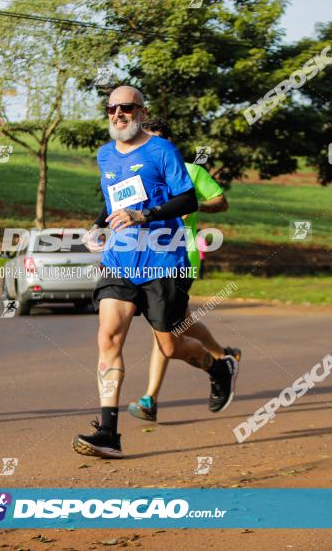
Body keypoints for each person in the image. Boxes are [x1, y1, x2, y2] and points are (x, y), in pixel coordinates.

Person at [72, 87, 239, 459]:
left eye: (125, 108)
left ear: (140, 112)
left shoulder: (162, 151)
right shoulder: (105, 155)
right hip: (120, 259)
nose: (117, 114)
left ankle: (218, 368)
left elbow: (188, 199)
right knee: (108, 339)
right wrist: (98, 225)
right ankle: (109, 433)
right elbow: (114, 199)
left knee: (169, 345)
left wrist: (143, 215)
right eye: (111, 108)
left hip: (163, 260)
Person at [126, 116, 241, 423]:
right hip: (142, 259)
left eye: (159, 141)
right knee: (182, 325)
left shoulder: (190, 172)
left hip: (179, 258)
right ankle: (223, 356)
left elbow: (221, 201)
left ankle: (150, 399)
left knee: (162, 331)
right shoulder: (137, 175)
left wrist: (190, 204)